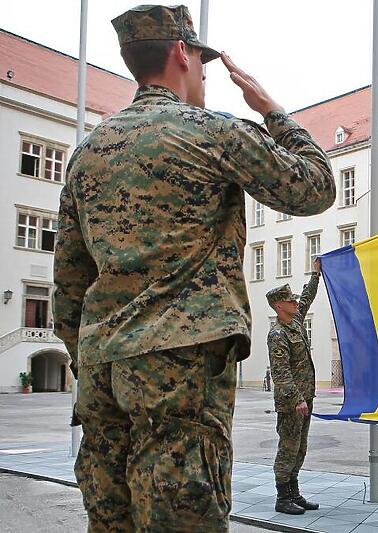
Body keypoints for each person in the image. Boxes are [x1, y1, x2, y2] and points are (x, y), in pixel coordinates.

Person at [52, 5, 334, 531]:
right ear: (182, 53)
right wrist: (273, 111)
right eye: (203, 62)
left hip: (101, 371)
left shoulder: (88, 153)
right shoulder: (212, 132)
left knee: (111, 521)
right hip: (179, 369)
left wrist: (87, 352)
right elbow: (315, 188)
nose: (205, 75)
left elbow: (68, 283)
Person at [265, 258, 321, 515]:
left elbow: (307, 297)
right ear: (279, 306)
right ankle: (282, 497)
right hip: (291, 402)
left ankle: (294, 492)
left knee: (300, 448)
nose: (296, 303)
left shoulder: (296, 321)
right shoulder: (278, 334)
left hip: (305, 397)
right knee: (288, 448)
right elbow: (281, 374)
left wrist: (315, 275)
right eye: (290, 301)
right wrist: (297, 399)